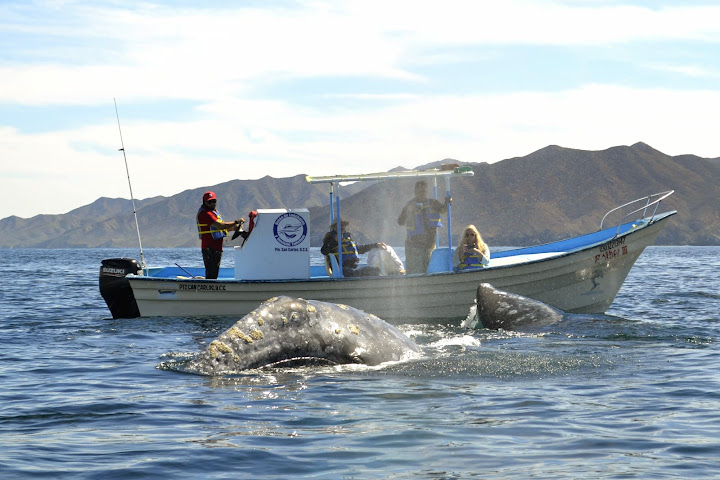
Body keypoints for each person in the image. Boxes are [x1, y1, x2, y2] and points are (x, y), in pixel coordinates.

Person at [397, 180, 451, 274]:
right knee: (414, 274)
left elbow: (443, 210)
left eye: (424, 191)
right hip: (413, 247)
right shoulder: (409, 205)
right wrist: (408, 211)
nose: (421, 193)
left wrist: (448, 203)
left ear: (427, 192)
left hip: (429, 247)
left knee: (429, 271)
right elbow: (400, 222)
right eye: (419, 191)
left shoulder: (433, 203)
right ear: (415, 192)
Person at [196, 191, 243, 279]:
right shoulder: (205, 214)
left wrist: (234, 228)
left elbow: (220, 229)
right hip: (210, 248)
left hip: (216, 248)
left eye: (214, 201)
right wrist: (236, 222)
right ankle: (208, 289)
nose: (212, 204)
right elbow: (220, 226)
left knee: (214, 274)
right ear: (204, 202)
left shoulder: (214, 213)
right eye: (209, 202)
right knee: (211, 275)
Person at [320, 220, 388, 277]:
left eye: (343, 225)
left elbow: (359, 249)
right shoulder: (330, 237)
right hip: (340, 268)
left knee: (374, 271)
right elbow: (324, 251)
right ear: (334, 227)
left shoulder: (348, 237)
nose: (342, 227)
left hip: (352, 267)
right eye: (339, 225)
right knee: (353, 274)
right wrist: (334, 241)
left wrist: (375, 245)